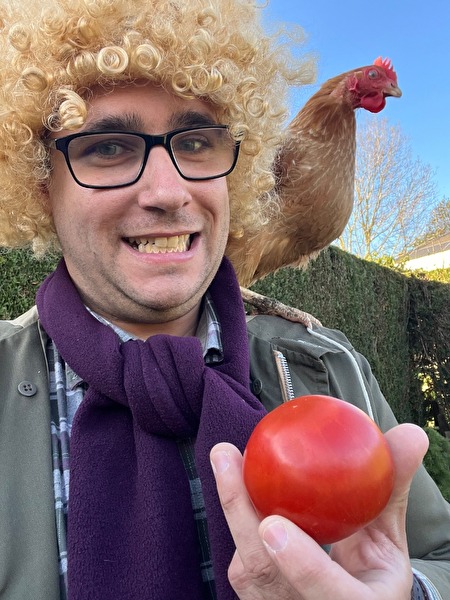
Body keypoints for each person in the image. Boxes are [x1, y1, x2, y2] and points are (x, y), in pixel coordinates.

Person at [0, 0, 449, 599]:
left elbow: (440, 554)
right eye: (106, 147)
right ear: (39, 181)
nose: (167, 191)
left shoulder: (331, 370)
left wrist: (408, 592)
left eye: (196, 141)